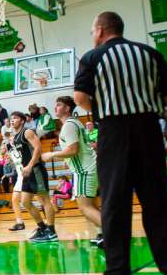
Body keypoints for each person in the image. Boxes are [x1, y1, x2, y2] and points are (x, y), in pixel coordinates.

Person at [74, 11, 167, 274]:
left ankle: (118, 269)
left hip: (113, 132)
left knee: (115, 203)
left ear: (101, 30)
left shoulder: (92, 57)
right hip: (149, 130)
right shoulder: (149, 53)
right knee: (157, 202)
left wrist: (102, 104)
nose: (93, 36)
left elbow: (80, 98)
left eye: (93, 31)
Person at [44, 96, 105, 245]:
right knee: (91, 204)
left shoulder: (69, 125)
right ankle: (102, 234)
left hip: (84, 170)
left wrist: (52, 154)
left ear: (67, 108)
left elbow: (73, 149)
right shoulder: (76, 123)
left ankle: (113, 234)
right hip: (89, 166)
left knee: (84, 207)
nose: (55, 108)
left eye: (59, 105)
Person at [8, 111, 57, 242]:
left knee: (44, 200)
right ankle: (42, 227)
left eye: (15, 118)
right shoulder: (16, 136)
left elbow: (38, 147)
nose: (12, 120)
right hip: (27, 173)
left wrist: (29, 166)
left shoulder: (27, 132)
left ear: (22, 121)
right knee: (25, 201)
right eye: (11, 119)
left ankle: (51, 231)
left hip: (35, 170)